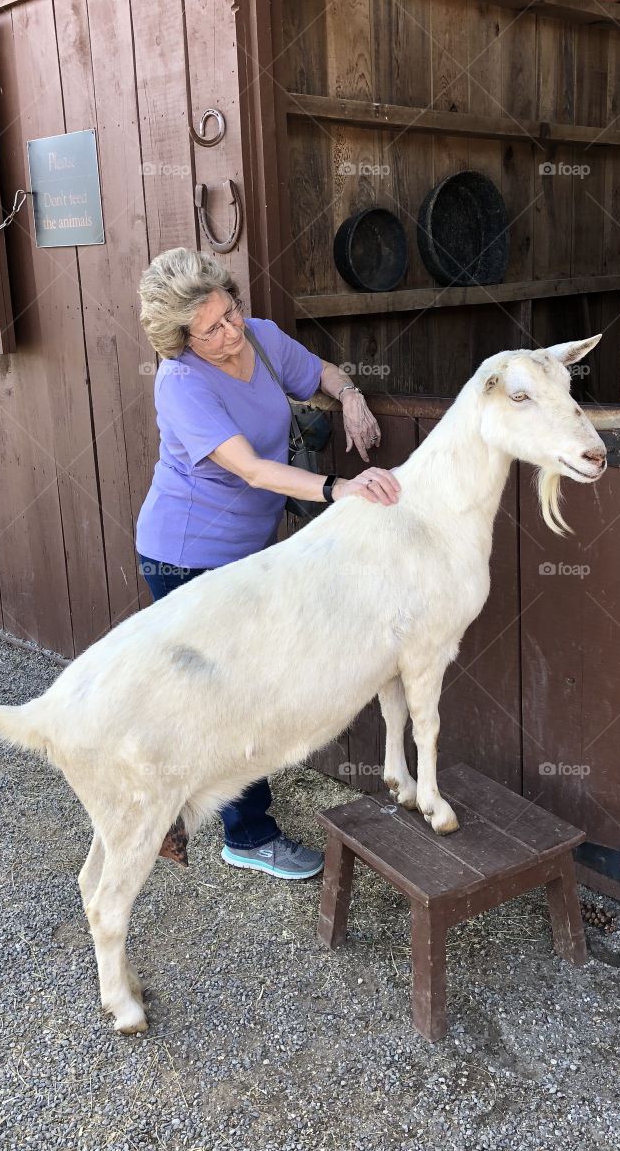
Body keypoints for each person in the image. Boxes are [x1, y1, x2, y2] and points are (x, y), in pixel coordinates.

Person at [135, 247, 402, 880]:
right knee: (232, 699)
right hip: (187, 556)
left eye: (230, 313)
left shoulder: (258, 337)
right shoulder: (180, 384)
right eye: (211, 331)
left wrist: (353, 396)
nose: (229, 334)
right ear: (179, 339)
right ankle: (245, 834)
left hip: (247, 553)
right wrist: (340, 487)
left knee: (217, 692)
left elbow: (319, 375)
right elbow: (252, 470)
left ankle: (162, 794)